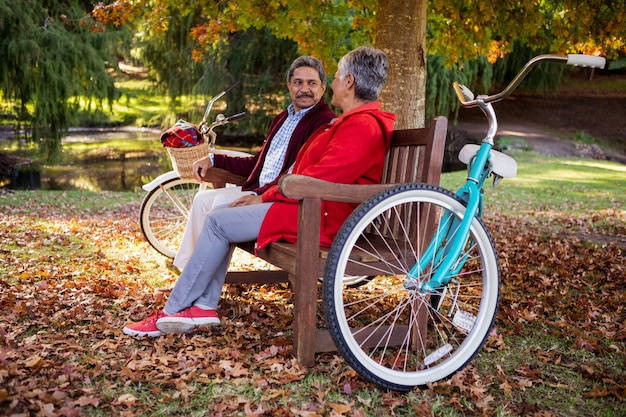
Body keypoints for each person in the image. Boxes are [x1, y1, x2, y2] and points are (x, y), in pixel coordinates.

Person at [123, 46, 396, 337]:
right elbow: (307, 174)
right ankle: (200, 306)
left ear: (350, 82)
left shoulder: (361, 126)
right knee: (217, 215)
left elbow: (317, 179)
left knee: (218, 221)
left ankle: (174, 310)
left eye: (338, 76)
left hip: (319, 217)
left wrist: (264, 195)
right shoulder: (349, 123)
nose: (334, 84)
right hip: (308, 208)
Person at [173, 56, 336, 270]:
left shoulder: (322, 122)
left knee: (218, 208)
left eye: (312, 83)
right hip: (257, 190)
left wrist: (260, 195)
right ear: (289, 86)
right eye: (298, 82)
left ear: (323, 88)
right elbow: (256, 163)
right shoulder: (281, 118)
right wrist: (213, 159)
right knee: (202, 200)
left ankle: (202, 277)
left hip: (280, 198)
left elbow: (296, 172)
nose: (304, 88)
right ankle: (186, 270)